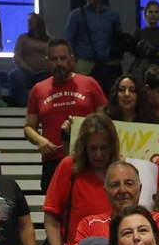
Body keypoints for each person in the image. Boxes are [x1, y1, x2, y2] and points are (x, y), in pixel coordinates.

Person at [43, 112, 118, 245]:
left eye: (104, 148)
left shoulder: (121, 170)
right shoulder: (69, 167)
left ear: (113, 146)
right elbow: (51, 215)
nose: (98, 154)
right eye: (92, 148)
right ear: (83, 146)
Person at [24, 38, 106, 186]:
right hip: (53, 160)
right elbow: (29, 127)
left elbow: (106, 122)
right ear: (48, 61)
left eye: (63, 58)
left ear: (72, 60)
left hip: (88, 157)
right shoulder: (38, 89)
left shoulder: (90, 83)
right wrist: (39, 140)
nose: (59, 63)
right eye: (54, 59)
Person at [65, 0, 122, 81]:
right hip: (83, 62)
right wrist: (72, 63)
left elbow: (118, 39)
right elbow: (69, 42)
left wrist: (117, 60)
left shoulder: (113, 15)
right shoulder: (76, 14)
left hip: (106, 63)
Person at [11, 12, 51, 108]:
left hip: (45, 73)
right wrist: (26, 68)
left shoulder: (50, 41)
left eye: (31, 21)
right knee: (15, 75)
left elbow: (53, 57)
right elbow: (17, 56)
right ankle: (24, 105)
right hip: (26, 73)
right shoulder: (23, 38)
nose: (29, 24)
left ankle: (45, 105)